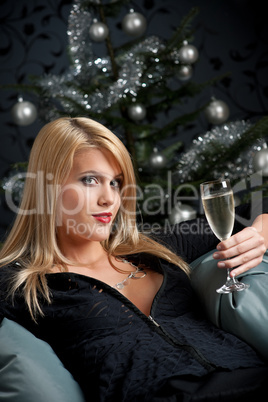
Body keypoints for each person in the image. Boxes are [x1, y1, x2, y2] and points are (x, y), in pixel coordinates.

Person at [0, 117, 268, 401]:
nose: (109, 199)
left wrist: (262, 228)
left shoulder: (152, 249)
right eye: (90, 180)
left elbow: (256, 209)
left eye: (115, 183)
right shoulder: (23, 285)